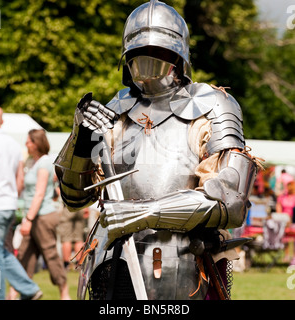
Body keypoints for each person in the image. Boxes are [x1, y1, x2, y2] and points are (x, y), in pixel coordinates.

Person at [54, 0, 259, 300]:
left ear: (178, 57)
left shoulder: (210, 105)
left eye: (159, 53)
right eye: (139, 55)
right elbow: (74, 197)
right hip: (111, 266)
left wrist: (143, 214)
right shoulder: (117, 110)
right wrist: (80, 140)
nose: (148, 63)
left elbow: (230, 201)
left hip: (183, 267)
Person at [16, 129, 71, 300]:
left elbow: (40, 193)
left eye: (29, 141)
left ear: (37, 143)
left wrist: (28, 219)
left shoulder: (45, 162)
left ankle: (64, 293)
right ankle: (17, 292)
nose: (26, 144)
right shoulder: (32, 162)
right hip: (33, 216)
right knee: (25, 255)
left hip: (42, 217)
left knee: (50, 255)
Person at [0, 105, 42, 300]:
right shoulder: (14, 145)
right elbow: (20, 180)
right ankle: (29, 289)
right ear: (2, 121)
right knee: (1, 250)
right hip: (9, 204)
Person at [57, 205, 88, 270]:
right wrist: (86, 207)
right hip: (80, 208)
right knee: (78, 238)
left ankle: (66, 264)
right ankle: (79, 264)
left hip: (68, 207)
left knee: (66, 239)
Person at [276, 180, 295, 264]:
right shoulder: (282, 197)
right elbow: (278, 209)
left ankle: (293, 257)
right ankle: (287, 256)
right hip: (284, 220)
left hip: (293, 220)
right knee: (286, 239)